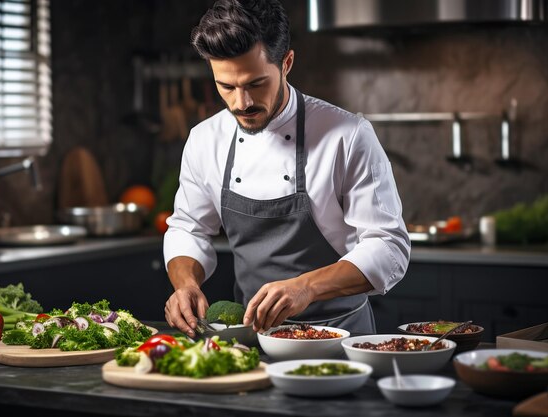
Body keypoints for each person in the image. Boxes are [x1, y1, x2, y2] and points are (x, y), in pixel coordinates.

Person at [163, 0, 410, 337]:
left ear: (287, 63)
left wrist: (306, 287)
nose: (241, 103)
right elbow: (188, 229)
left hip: (339, 337)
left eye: (255, 84)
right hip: (250, 338)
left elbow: (389, 246)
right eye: (227, 87)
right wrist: (186, 283)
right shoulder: (205, 139)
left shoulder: (348, 135)